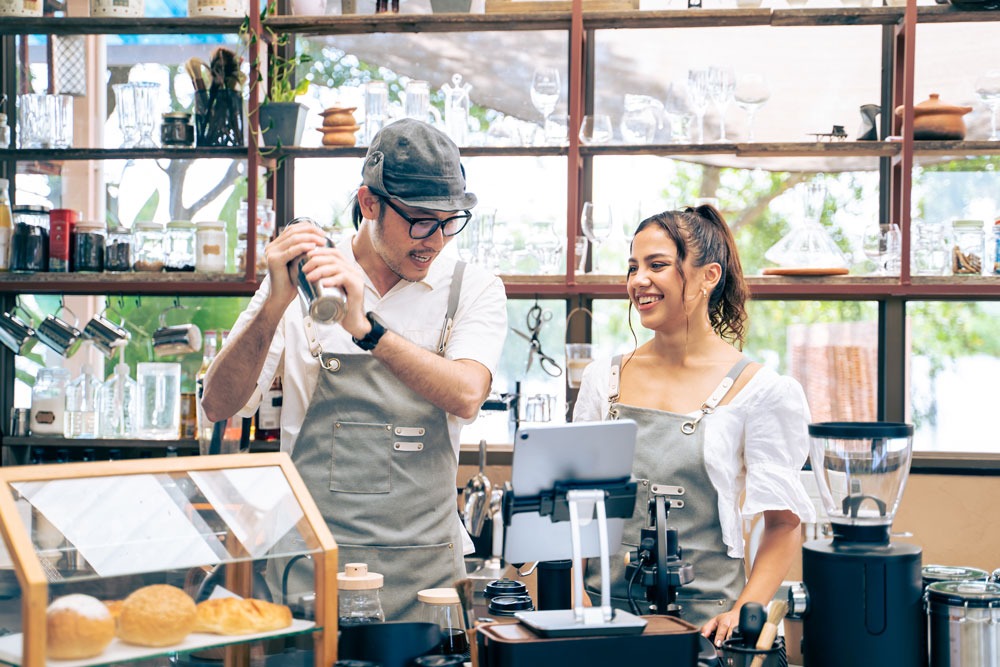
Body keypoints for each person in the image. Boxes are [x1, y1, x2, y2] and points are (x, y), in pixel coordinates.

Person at [202, 118, 508, 621]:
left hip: (427, 577)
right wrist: (274, 304)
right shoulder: (308, 276)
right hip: (312, 565)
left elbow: (467, 394)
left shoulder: (471, 288)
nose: (434, 240)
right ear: (369, 204)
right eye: (419, 221)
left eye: (449, 221)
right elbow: (217, 405)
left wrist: (367, 329)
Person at [572, 204, 816, 645]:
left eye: (657, 265)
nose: (638, 280)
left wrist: (745, 608)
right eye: (633, 267)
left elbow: (783, 524)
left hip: (704, 630)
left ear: (709, 276)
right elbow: (573, 507)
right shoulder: (601, 379)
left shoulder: (760, 390)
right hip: (600, 626)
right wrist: (576, 597)